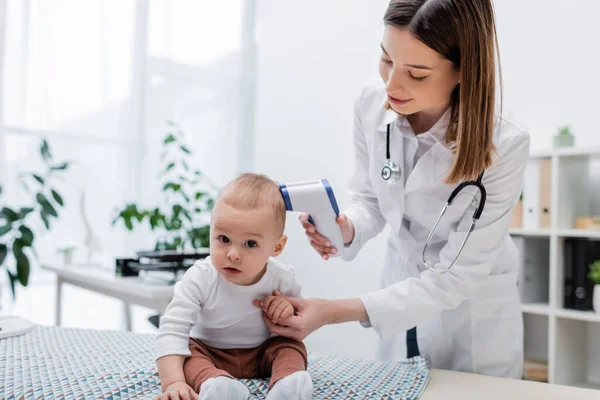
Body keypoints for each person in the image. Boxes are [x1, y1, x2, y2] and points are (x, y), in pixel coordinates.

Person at [255, 0, 530, 379]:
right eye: (386, 60)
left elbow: (455, 277)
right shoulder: (371, 104)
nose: (391, 86)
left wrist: (333, 311)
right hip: (398, 292)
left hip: (471, 319)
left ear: (464, 70)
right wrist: (347, 227)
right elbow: (370, 199)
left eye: (416, 74)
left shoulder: (504, 144)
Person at [154, 173, 313, 400]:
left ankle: (288, 386)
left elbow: (300, 322)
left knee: (290, 348)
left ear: (276, 247)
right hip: (209, 352)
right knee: (189, 355)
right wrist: (173, 383)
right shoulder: (200, 277)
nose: (233, 254)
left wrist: (285, 310)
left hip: (263, 353)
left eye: (250, 243)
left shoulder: (282, 278)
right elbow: (172, 330)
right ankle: (219, 388)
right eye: (223, 239)